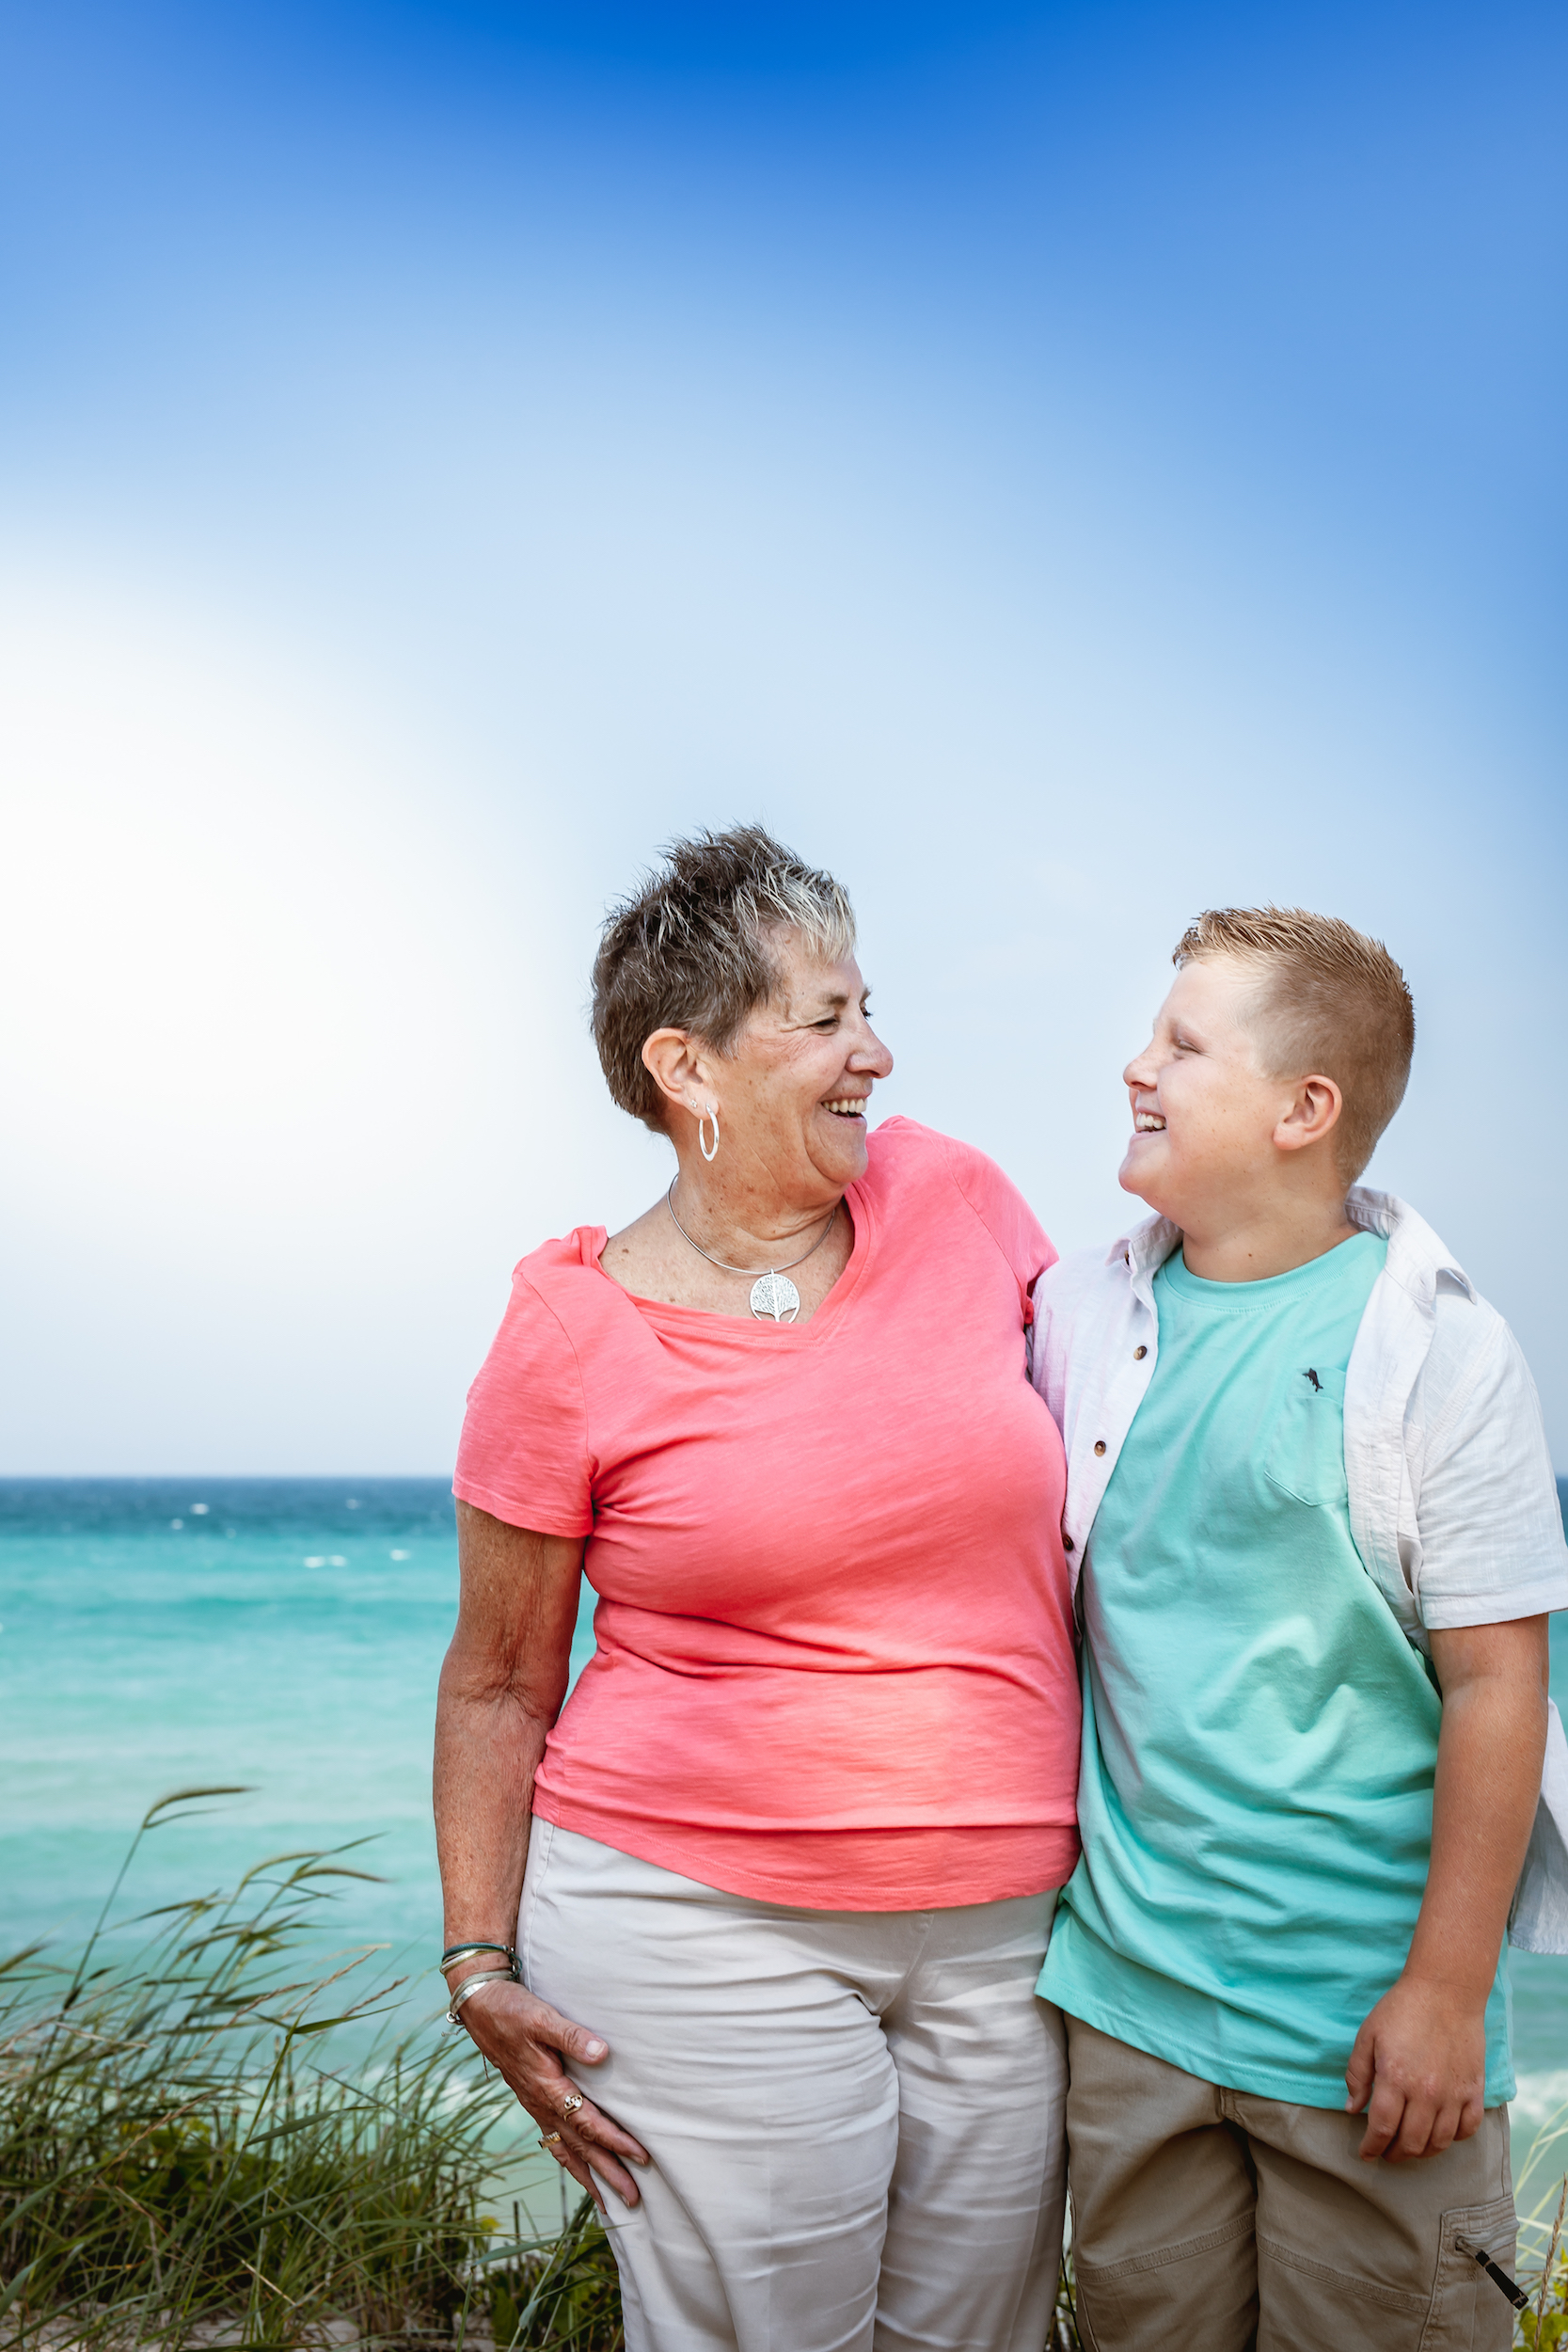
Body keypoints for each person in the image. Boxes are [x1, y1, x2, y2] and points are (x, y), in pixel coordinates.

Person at [432, 826, 1082, 2352]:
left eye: (869, 1008)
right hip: (694, 1925)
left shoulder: (961, 1198)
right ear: (690, 1067)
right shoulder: (568, 1329)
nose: (878, 1053)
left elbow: (1122, 1446)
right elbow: (501, 1677)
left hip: (1016, 1922)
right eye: (827, 1019)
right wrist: (477, 1961)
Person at [1031, 905, 1568, 2350]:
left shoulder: (1442, 1347)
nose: (1134, 1066)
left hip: (1373, 2036)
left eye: (1181, 1044)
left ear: (1302, 1109)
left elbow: (1498, 1686)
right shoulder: (1081, 1315)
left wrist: (1447, 1995)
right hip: (1129, 2004)